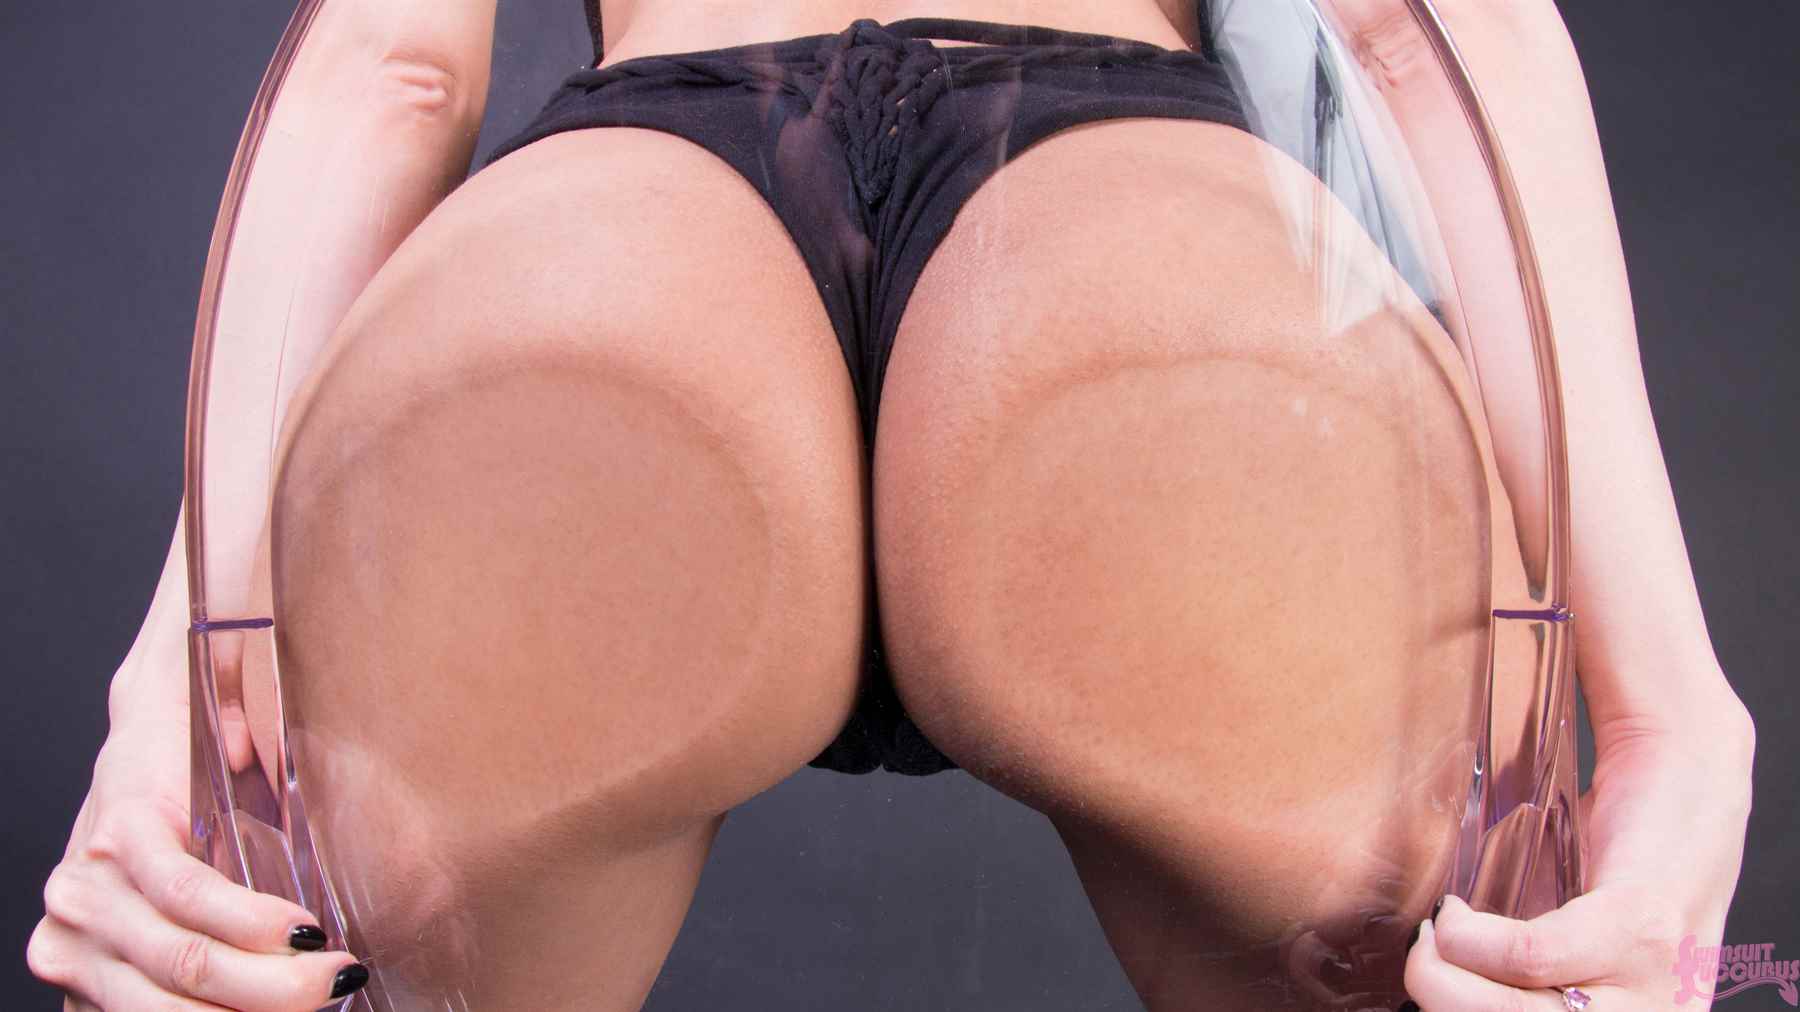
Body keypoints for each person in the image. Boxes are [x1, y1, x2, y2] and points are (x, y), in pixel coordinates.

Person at [27, 1, 1754, 1009]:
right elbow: (1406, 32)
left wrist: (185, 671)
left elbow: (387, 68)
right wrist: (1665, 710)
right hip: (1125, 241)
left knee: (316, 958)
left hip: (629, 241)